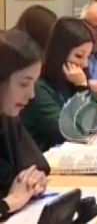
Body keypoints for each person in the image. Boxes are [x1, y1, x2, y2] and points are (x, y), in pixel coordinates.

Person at [21, 18, 97, 151]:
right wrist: (82, 88)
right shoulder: (39, 89)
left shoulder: (69, 82)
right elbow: (73, 134)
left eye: (88, 56)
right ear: (59, 54)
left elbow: (94, 121)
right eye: (78, 56)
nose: (85, 64)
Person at [0, 30, 50, 219]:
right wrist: (10, 203)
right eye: (23, 84)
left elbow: (35, 166)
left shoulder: (7, 118)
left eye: (33, 84)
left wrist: (34, 180)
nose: (31, 95)